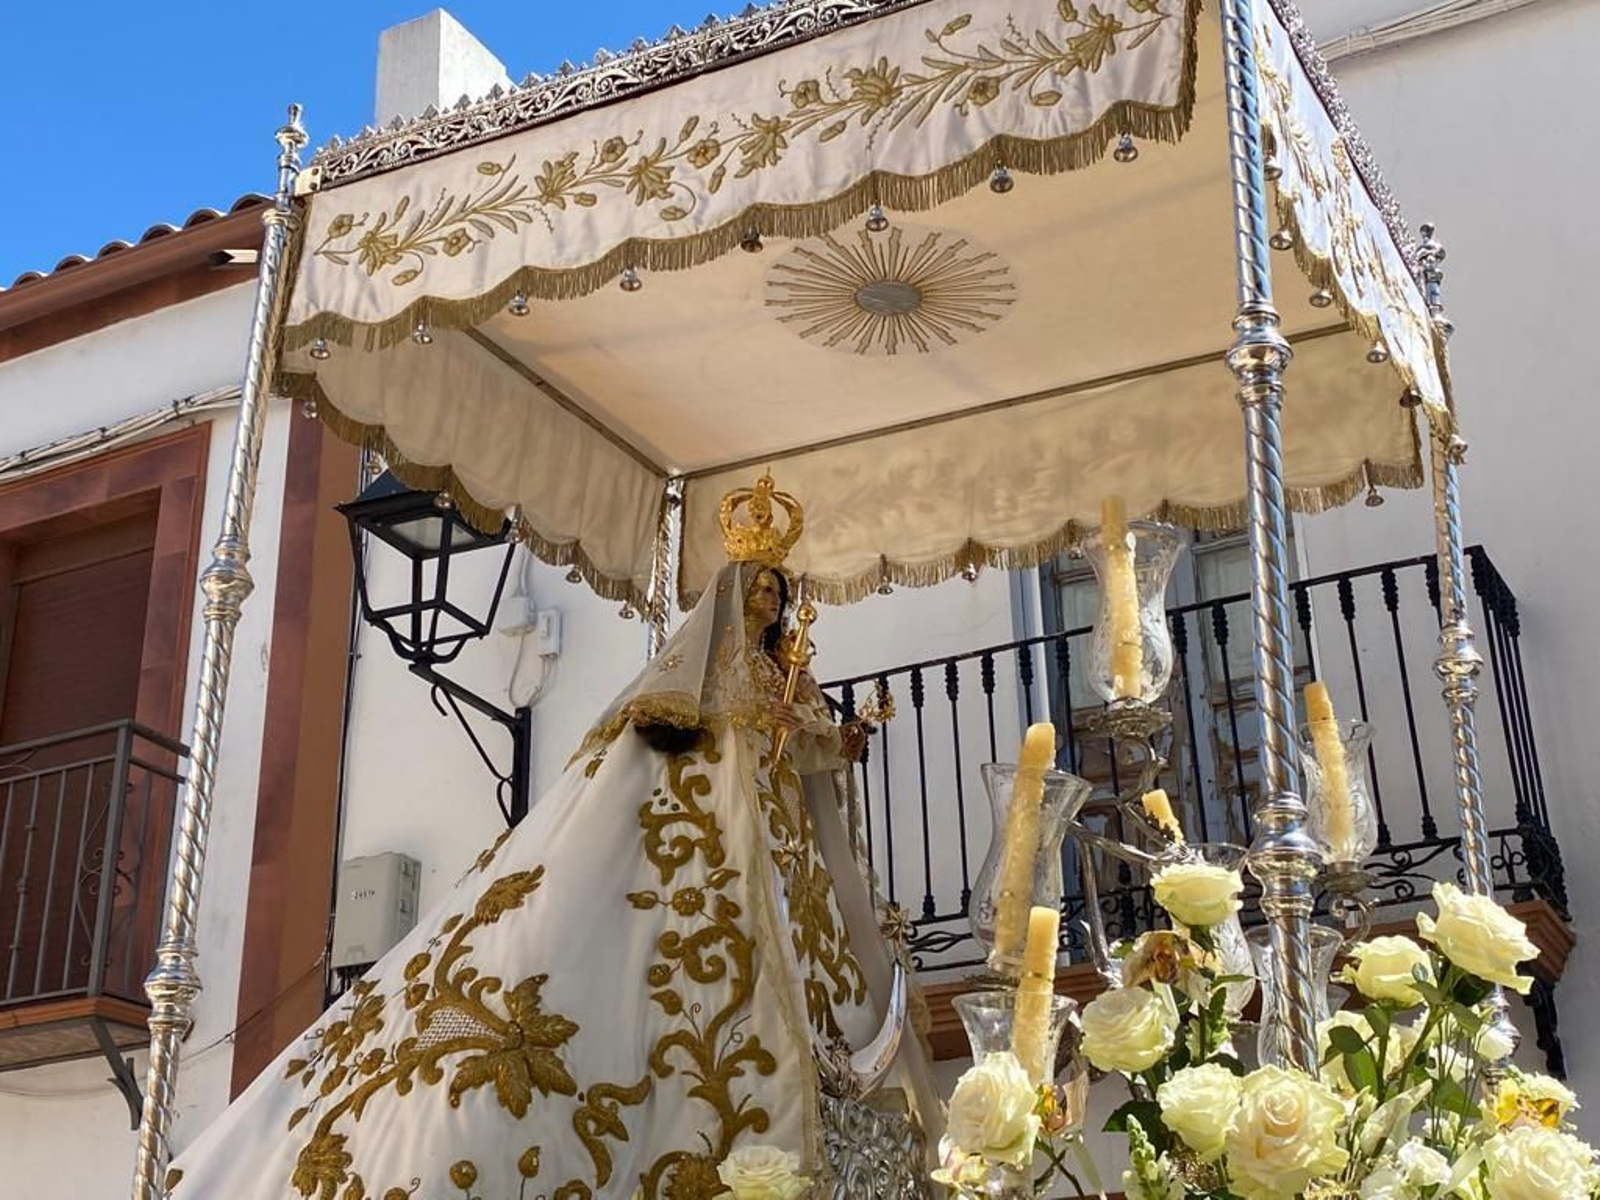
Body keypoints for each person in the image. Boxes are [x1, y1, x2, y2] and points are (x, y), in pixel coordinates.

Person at [164, 473, 939, 1200]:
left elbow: (804, 745)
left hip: (782, 849)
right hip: (721, 837)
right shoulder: (705, 669)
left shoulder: (787, 675)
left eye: (776, 589)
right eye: (759, 589)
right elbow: (670, 721)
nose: (770, 601)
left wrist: (842, 740)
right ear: (735, 598)